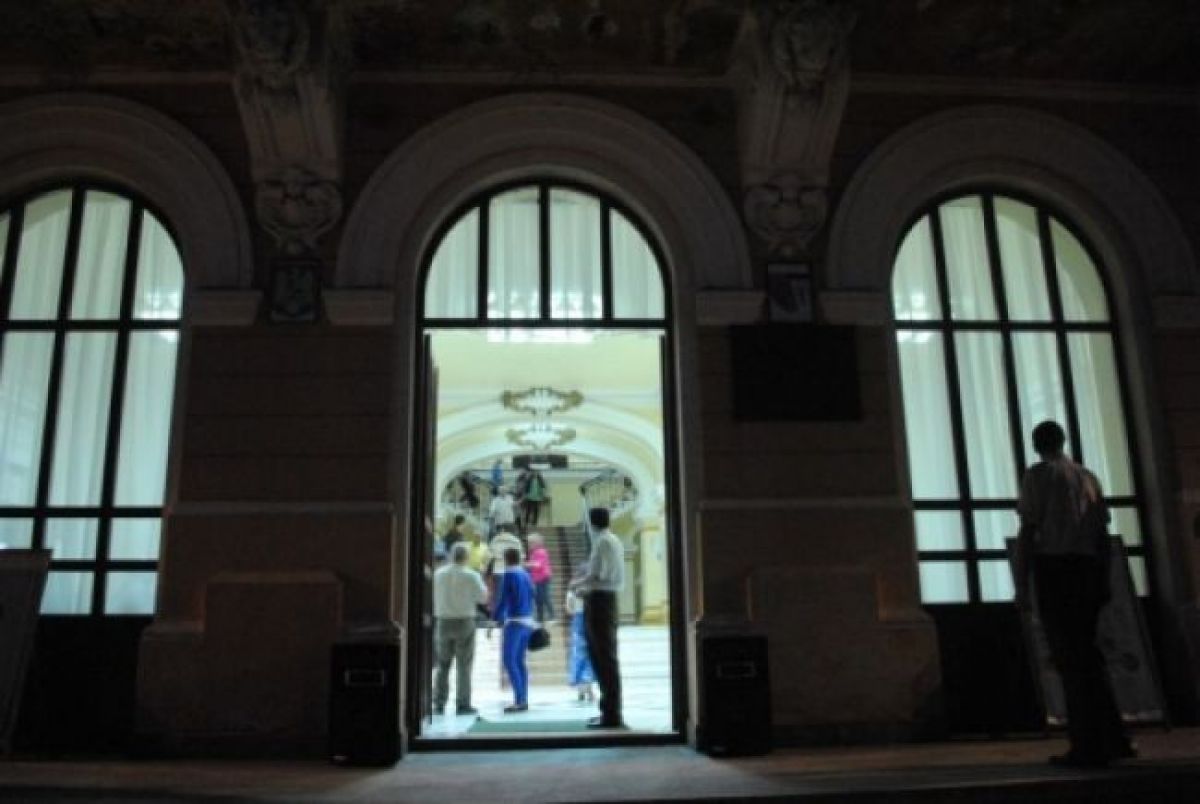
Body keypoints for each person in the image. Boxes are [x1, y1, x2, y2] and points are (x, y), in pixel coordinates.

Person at [1014, 420, 1135, 768]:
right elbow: (1102, 534)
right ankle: (1114, 738)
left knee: (1070, 660)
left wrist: (1021, 584)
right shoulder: (1087, 477)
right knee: (1090, 657)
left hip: (1056, 571)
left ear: (1036, 445)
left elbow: (1028, 530)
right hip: (1087, 569)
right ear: (1063, 441)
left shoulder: (1038, 476)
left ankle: (1086, 744)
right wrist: (1105, 580)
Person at [574, 506, 625, 729]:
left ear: (591, 522)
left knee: (603, 657)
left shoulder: (602, 542)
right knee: (604, 657)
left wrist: (578, 584)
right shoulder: (613, 540)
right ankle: (609, 711)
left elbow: (598, 575)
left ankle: (611, 715)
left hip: (600, 602)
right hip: (605, 600)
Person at [431, 542, 488, 716]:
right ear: (467, 557)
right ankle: (463, 704)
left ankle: (439, 703)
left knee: (442, 664)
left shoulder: (438, 574)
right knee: (464, 665)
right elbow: (483, 598)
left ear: (451, 555)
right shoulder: (471, 575)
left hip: (443, 621)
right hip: (464, 621)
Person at [492, 547, 536, 713]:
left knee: (509, 660)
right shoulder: (525, 574)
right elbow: (533, 593)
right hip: (527, 621)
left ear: (506, 559)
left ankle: (519, 700)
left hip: (515, 621)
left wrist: (495, 617)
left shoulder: (509, 574)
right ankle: (523, 698)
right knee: (519, 661)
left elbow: (503, 599)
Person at [565, 565, 595, 703]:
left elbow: (569, 609)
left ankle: (580, 689)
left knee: (578, 654)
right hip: (591, 621)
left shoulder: (572, 589)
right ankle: (588, 686)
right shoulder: (591, 589)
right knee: (590, 654)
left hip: (577, 621)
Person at [525, 532, 555, 623]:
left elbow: (538, 565)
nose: (529, 545)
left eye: (531, 543)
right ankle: (540, 618)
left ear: (537, 543)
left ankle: (552, 616)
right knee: (538, 599)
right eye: (529, 543)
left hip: (543, 578)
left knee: (545, 597)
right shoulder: (534, 553)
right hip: (538, 579)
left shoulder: (541, 552)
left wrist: (528, 564)